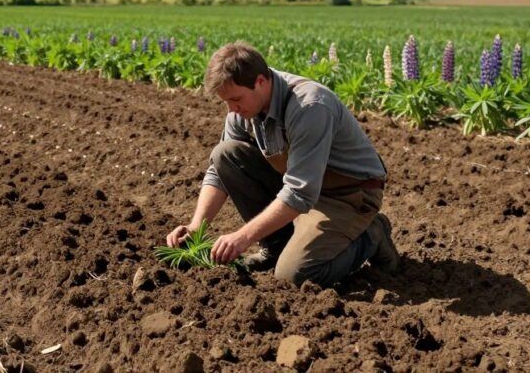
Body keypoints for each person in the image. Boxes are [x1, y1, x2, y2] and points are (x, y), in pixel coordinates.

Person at [166, 41, 399, 287]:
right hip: (302, 185)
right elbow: (218, 171)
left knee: (295, 276)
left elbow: (300, 192)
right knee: (226, 154)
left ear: (260, 82)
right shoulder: (243, 110)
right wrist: (196, 226)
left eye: (236, 99)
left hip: (347, 195)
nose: (231, 109)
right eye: (226, 102)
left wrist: (243, 237)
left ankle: (371, 235)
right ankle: (276, 247)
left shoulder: (309, 106)